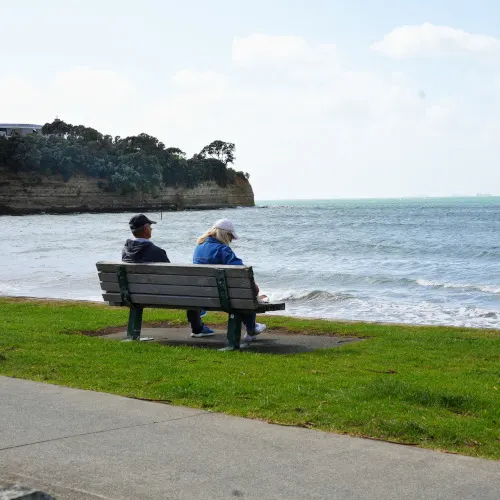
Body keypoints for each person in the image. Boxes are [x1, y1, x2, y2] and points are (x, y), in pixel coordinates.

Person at [122, 214, 213, 337]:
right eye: (150, 227)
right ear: (145, 229)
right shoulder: (156, 251)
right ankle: (197, 327)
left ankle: (132, 333)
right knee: (192, 289)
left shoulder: (126, 251)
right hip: (161, 295)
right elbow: (171, 276)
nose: (151, 229)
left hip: (133, 295)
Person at [193, 218, 266, 342]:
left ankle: (252, 328)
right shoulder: (223, 250)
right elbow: (242, 271)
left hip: (204, 295)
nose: (231, 240)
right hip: (223, 297)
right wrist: (254, 287)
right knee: (248, 291)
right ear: (225, 234)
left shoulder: (199, 247)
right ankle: (251, 328)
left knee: (241, 292)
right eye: (231, 236)